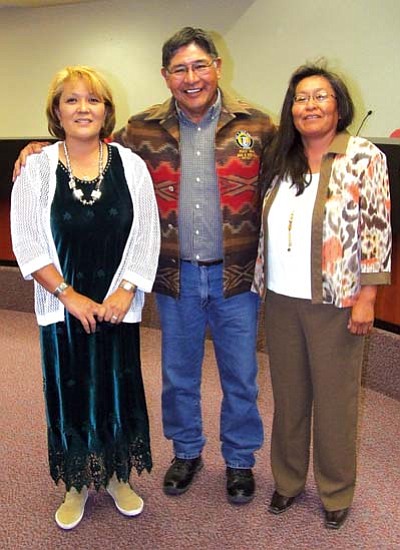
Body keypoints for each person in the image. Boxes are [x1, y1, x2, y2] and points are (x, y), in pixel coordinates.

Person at [13, 27, 275, 505]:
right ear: (165, 76)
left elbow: (291, 173)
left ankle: (239, 460)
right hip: (173, 276)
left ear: (217, 66)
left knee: (240, 374)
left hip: (236, 276)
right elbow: (87, 143)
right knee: (178, 374)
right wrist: (33, 149)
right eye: (179, 69)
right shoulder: (143, 129)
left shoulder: (257, 126)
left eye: (200, 66)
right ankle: (187, 452)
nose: (191, 77)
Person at [11, 66, 160, 530]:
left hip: (117, 307)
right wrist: (68, 294)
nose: (83, 108)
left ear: (106, 110)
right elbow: (28, 240)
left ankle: (117, 476)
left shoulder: (131, 166)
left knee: (118, 387)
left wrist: (125, 291)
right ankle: (76, 481)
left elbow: (146, 233)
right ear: (57, 111)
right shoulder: (36, 168)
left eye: (92, 100)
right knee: (70, 389)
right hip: (63, 305)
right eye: (72, 100)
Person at [253, 63, 391, 529]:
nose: (309, 106)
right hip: (281, 298)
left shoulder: (362, 156)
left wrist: (368, 298)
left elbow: (376, 229)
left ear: (338, 104)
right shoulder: (281, 157)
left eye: (320, 96)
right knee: (289, 399)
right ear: (290, 109)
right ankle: (287, 482)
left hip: (337, 301)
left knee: (334, 403)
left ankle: (336, 491)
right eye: (300, 98)